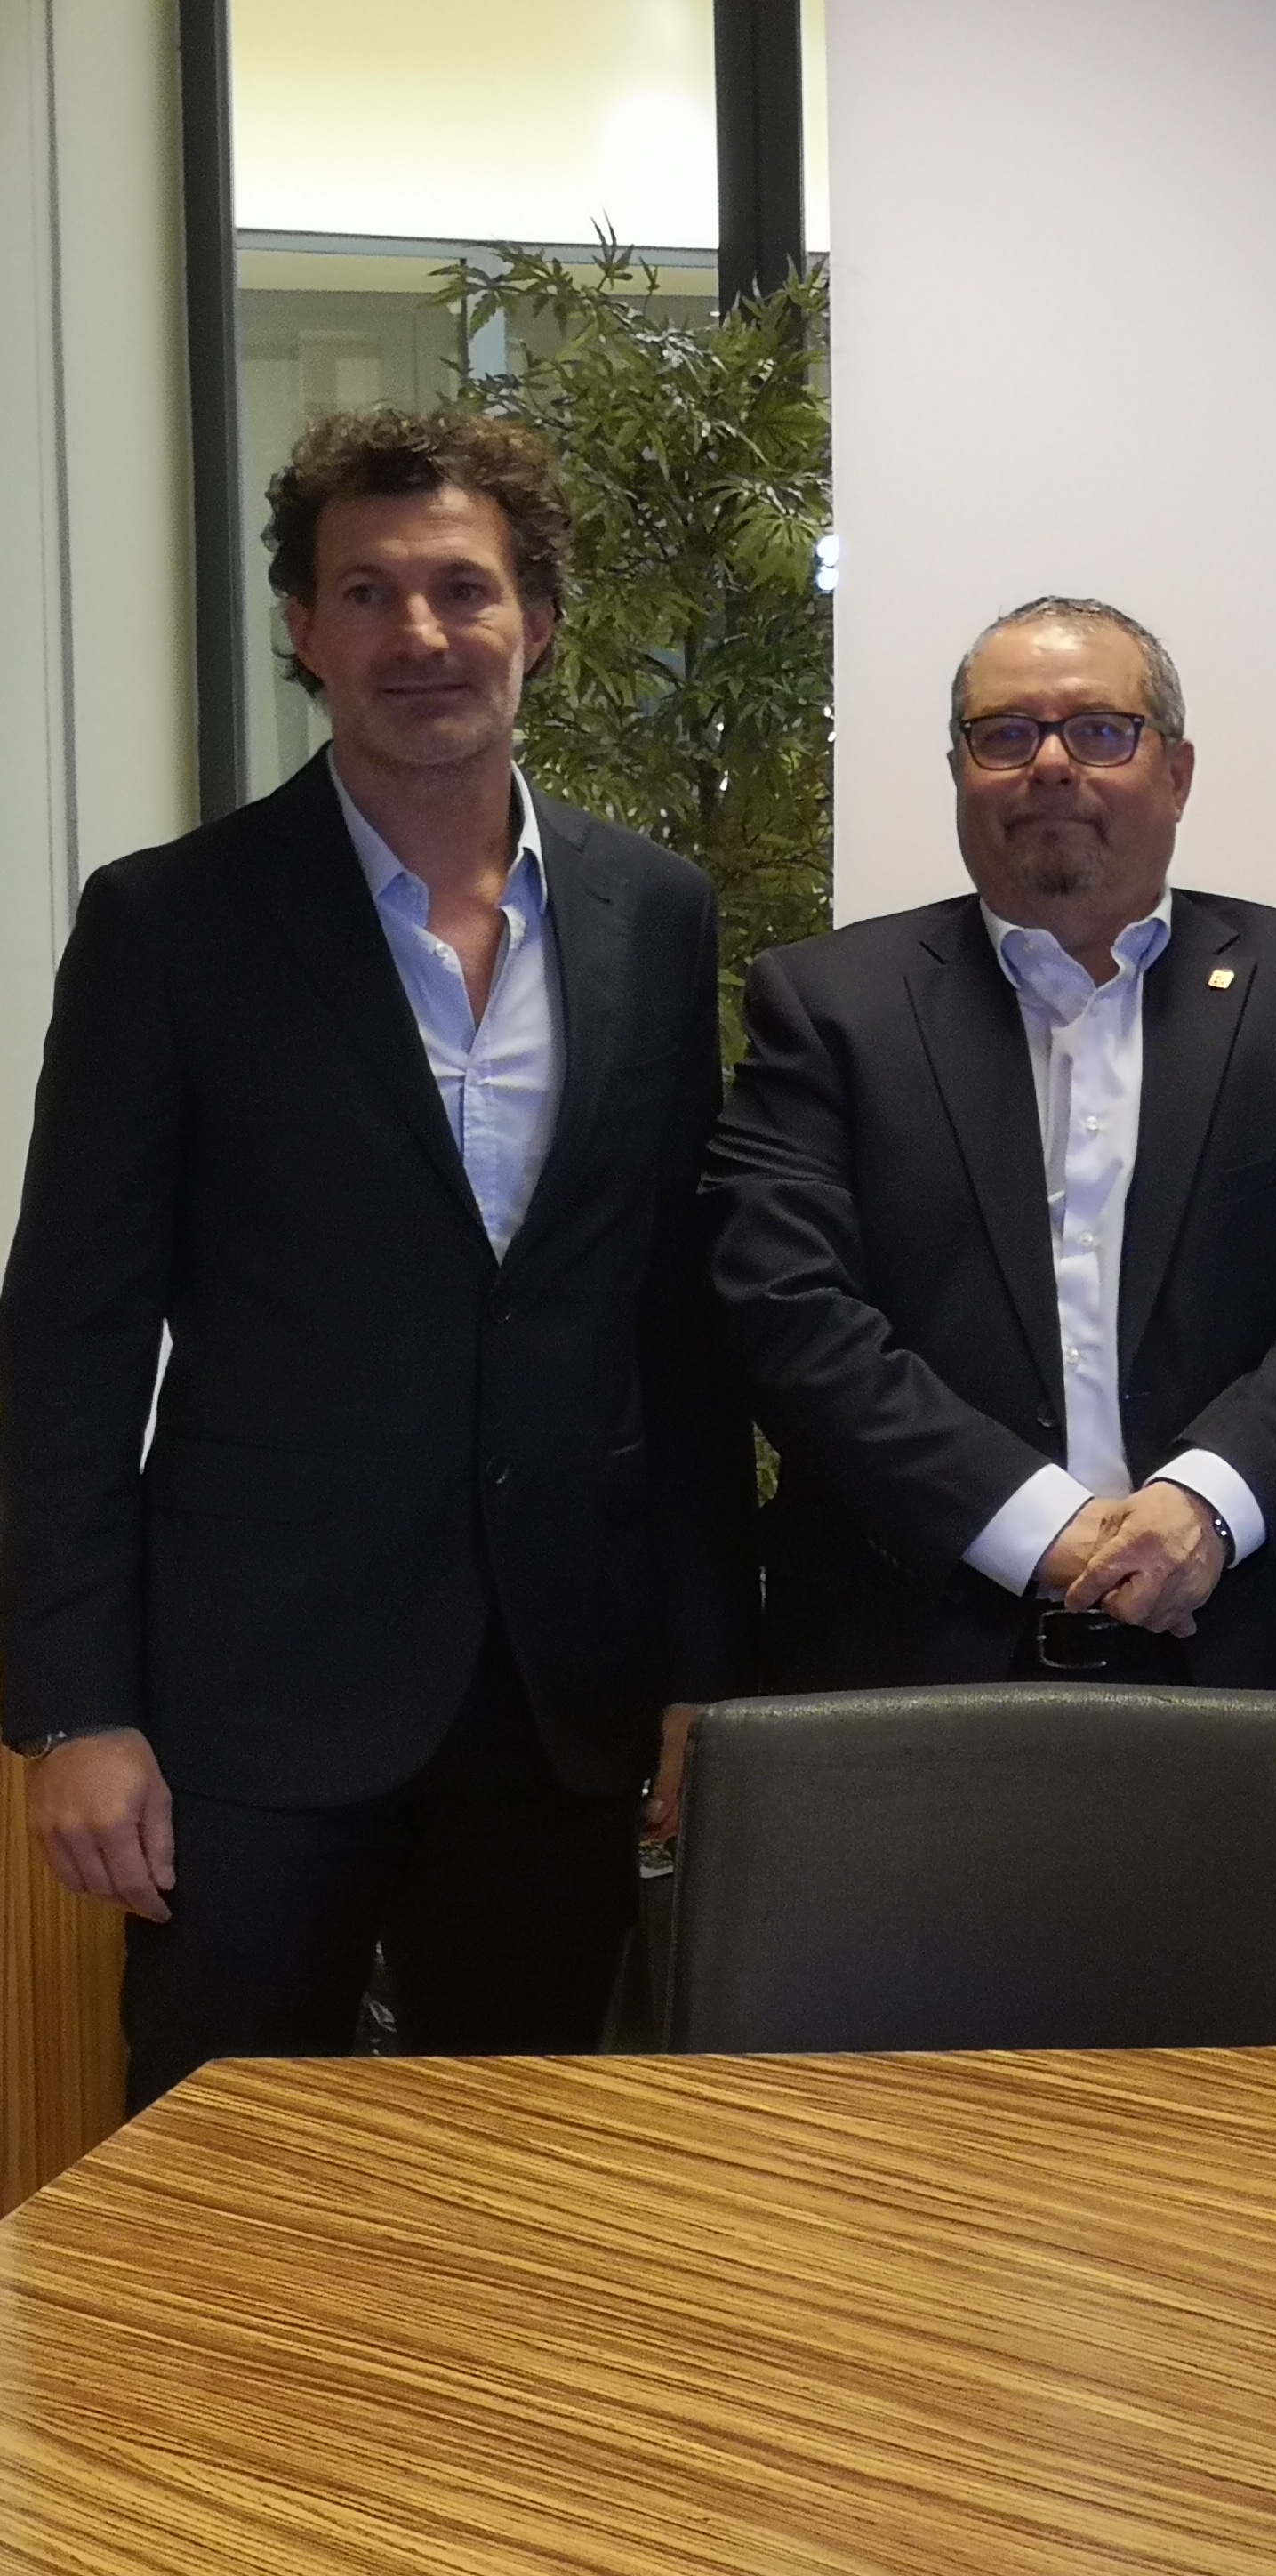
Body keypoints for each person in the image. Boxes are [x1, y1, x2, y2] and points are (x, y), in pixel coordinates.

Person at [1, 406, 753, 2109]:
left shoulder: (655, 912)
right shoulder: (168, 924)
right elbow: (69, 1343)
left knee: (520, 2178)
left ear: (535, 622)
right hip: (253, 1705)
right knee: (217, 2178)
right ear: (305, 629)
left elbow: (677, 1330)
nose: (422, 633)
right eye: (368, 592)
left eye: (463, 589)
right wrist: (75, 1710)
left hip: (560, 1701)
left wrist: (703, 1677)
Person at [704, 595, 1276, 1814]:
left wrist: (1202, 1507)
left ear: (1177, 772)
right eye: (1005, 734)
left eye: (1101, 729)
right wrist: (1039, 1525)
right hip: (909, 1672)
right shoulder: (828, 1007)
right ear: (959, 772)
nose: (1050, 763)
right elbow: (784, 1309)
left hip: (1261, 1661)